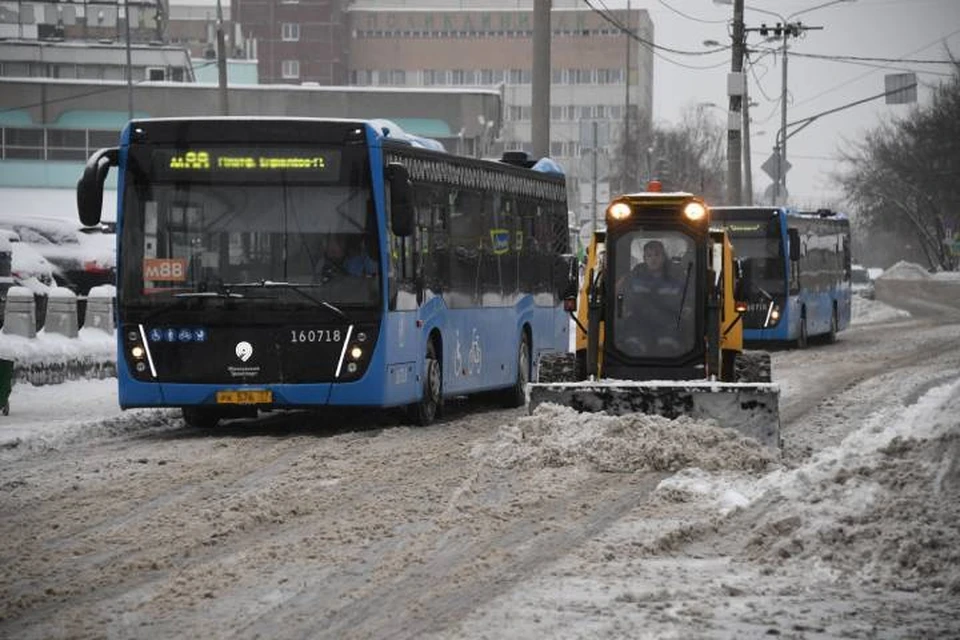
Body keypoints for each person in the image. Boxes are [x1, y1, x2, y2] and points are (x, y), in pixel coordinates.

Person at [618, 239, 690, 354]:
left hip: (669, 324)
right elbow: (620, 294)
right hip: (639, 324)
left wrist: (686, 310)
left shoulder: (677, 277)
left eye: (657, 254)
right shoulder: (634, 277)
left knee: (667, 348)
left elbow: (688, 299)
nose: (653, 258)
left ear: (664, 257)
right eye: (649, 255)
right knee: (633, 346)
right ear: (644, 258)